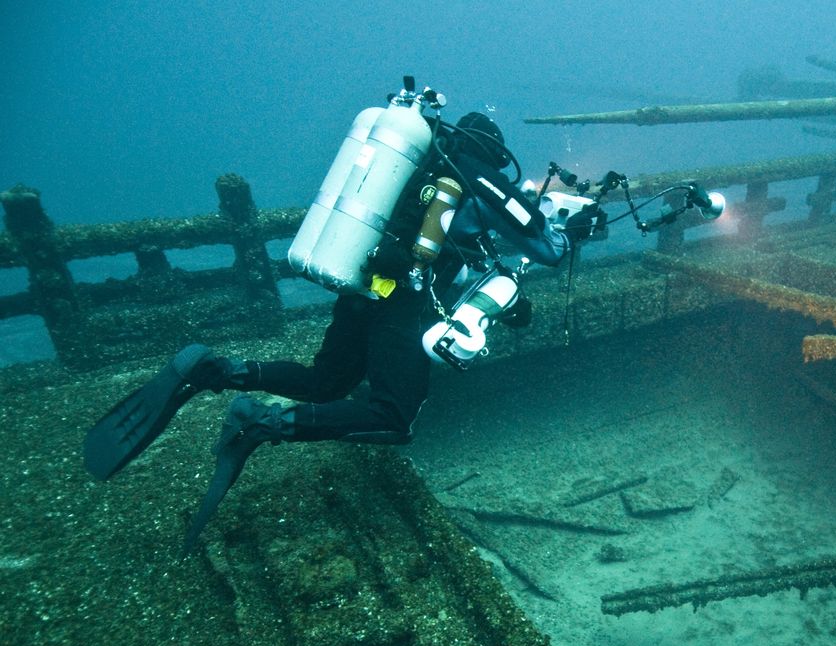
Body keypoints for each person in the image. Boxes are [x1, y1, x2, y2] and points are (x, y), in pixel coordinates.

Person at [83, 111, 599, 551]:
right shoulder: (476, 171)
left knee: (326, 379)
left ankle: (216, 370)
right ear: (490, 148)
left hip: (364, 282)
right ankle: (261, 426)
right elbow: (546, 246)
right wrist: (571, 227)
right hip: (402, 299)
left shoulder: (422, 166)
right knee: (394, 417)